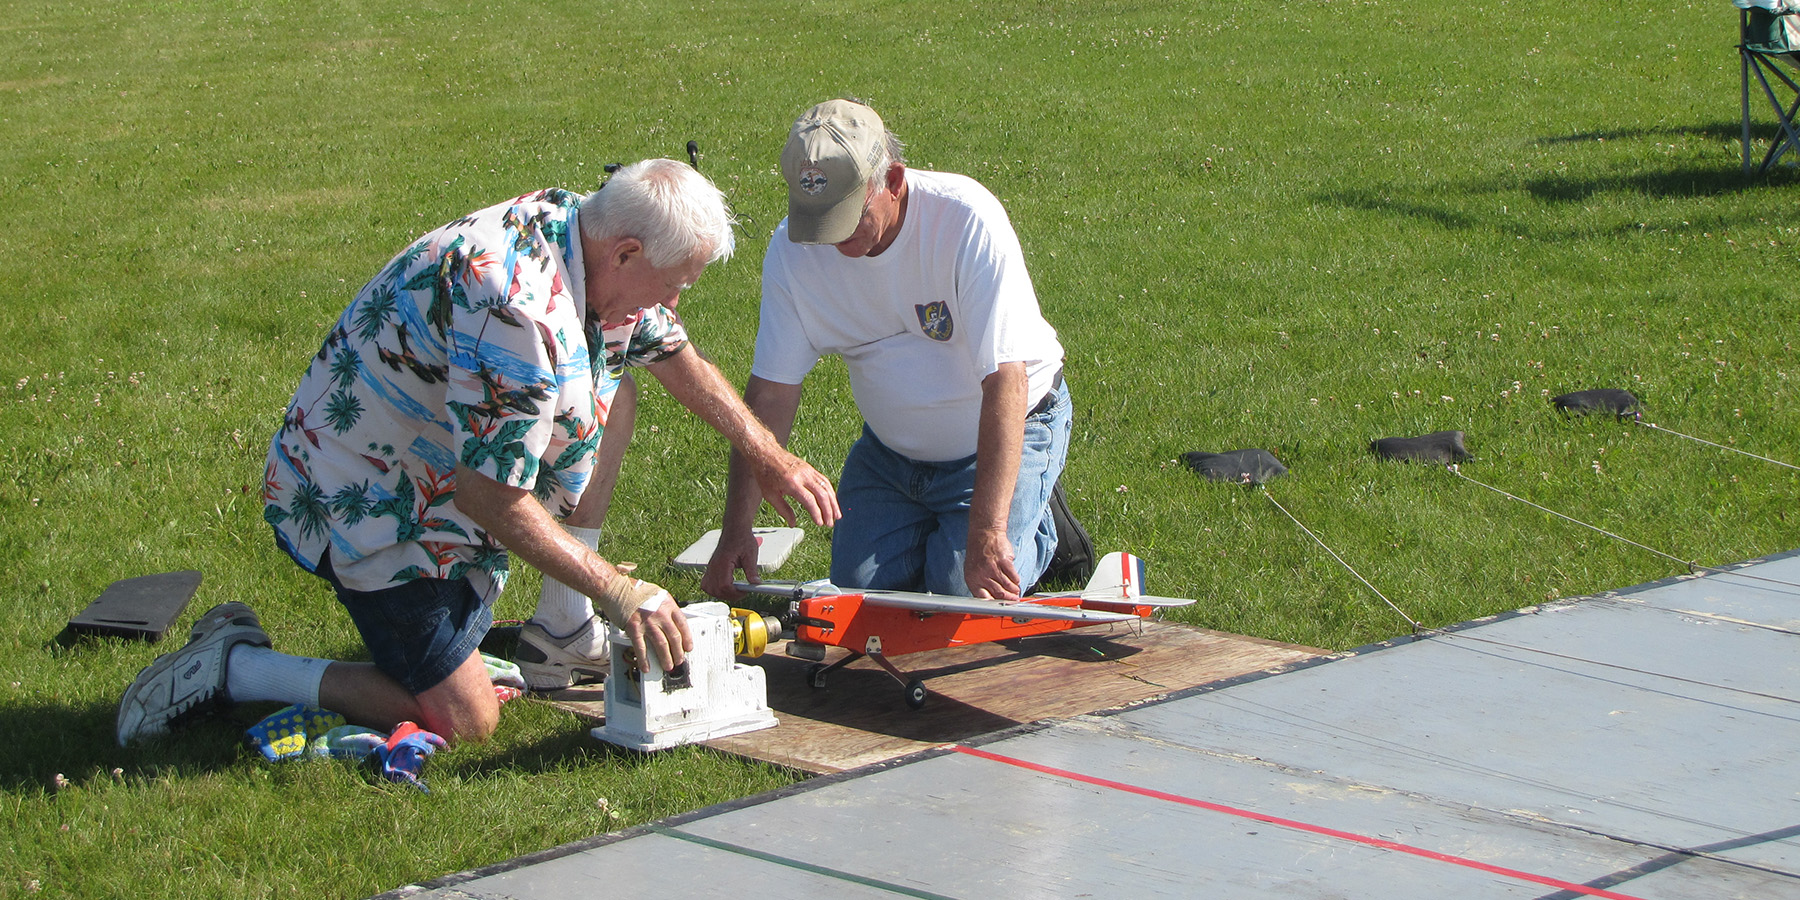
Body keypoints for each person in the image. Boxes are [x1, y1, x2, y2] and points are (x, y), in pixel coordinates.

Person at [117, 158, 839, 746]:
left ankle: (562, 629)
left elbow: (671, 351)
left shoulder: (576, 224)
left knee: (613, 388)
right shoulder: (517, 313)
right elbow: (490, 499)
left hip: (429, 469)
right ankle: (236, 666)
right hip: (364, 501)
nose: (674, 302)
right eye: (675, 284)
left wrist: (768, 454)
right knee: (466, 720)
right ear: (626, 252)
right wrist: (620, 591)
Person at [702, 99, 1081, 604]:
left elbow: (1006, 380)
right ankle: (942, 529)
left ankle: (1045, 532)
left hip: (1010, 425)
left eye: (848, 217)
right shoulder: (793, 252)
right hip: (889, 455)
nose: (833, 239)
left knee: (963, 594)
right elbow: (770, 394)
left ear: (894, 181)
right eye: (818, 219)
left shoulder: (966, 219)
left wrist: (989, 532)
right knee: (859, 598)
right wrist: (736, 529)